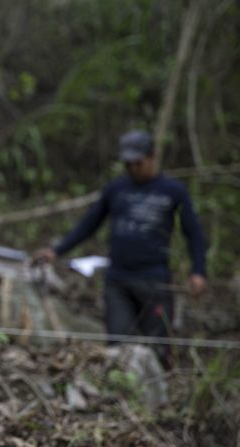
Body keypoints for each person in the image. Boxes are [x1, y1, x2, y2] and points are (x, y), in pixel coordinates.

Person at [36, 130, 207, 368]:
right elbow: (89, 224)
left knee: (157, 346)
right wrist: (58, 250)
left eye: (138, 163)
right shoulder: (116, 189)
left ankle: (158, 394)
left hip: (154, 281)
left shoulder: (172, 190)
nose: (133, 169)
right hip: (119, 279)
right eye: (128, 164)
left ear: (153, 156)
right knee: (118, 346)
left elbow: (194, 234)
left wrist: (198, 271)